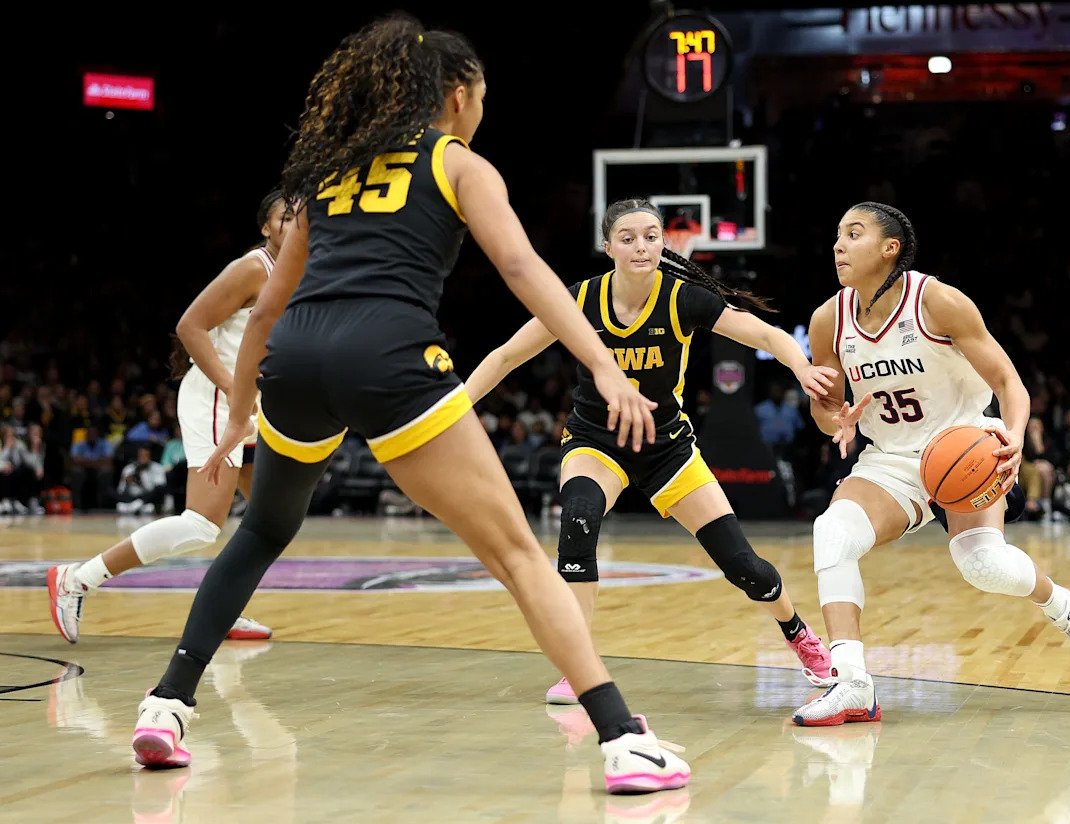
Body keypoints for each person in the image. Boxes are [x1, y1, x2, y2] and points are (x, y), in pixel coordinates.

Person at [128, 18, 688, 794]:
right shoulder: (457, 162)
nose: (481, 111)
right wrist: (603, 363)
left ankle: (165, 706)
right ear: (456, 97)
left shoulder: (329, 173)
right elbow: (522, 269)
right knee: (517, 555)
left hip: (296, 359)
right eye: (481, 97)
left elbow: (265, 312)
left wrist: (240, 415)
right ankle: (624, 739)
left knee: (259, 531)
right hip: (386, 355)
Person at [465, 198, 838, 705]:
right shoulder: (579, 300)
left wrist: (802, 367)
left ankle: (798, 633)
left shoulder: (682, 298)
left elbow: (767, 335)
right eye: (628, 238)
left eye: (650, 236)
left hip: (666, 448)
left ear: (664, 243)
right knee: (577, 519)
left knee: (744, 566)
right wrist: (455, 410)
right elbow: (506, 356)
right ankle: (579, 668)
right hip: (596, 441)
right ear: (608, 247)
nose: (641, 247)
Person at [792, 202, 1070, 727]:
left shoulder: (938, 302)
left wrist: (1014, 436)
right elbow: (824, 409)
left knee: (984, 566)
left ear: (890, 248)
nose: (838, 245)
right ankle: (852, 683)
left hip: (961, 446)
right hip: (890, 458)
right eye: (837, 235)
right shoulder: (827, 319)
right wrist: (834, 417)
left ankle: (1067, 610)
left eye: (853, 234)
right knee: (832, 533)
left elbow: (1008, 382)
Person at [46, 190, 291, 644]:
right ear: (265, 227)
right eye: (285, 217)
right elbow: (189, 325)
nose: (294, 225)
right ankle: (76, 579)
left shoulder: (297, 271)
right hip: (218, 398)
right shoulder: (254, 267)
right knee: (202, 523)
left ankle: (222, 608)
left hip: (250, 404)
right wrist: (233, 390)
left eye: (301, 217)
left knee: (270, 520)